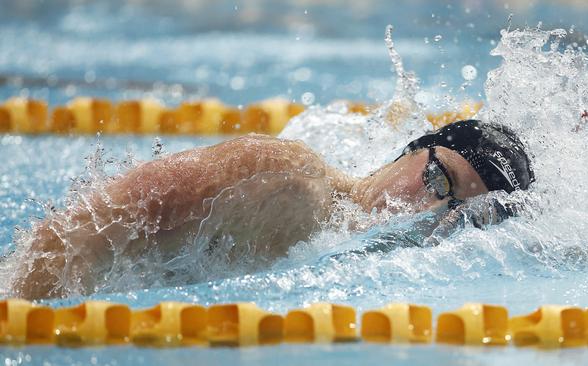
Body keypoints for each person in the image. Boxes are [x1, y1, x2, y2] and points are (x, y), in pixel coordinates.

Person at [6, 119, 534, 300]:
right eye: (438, 179)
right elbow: (71, 234)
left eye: (462, 213)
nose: (430, 211)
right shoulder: (280, 177)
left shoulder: (357, 266)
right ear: (414, 149)